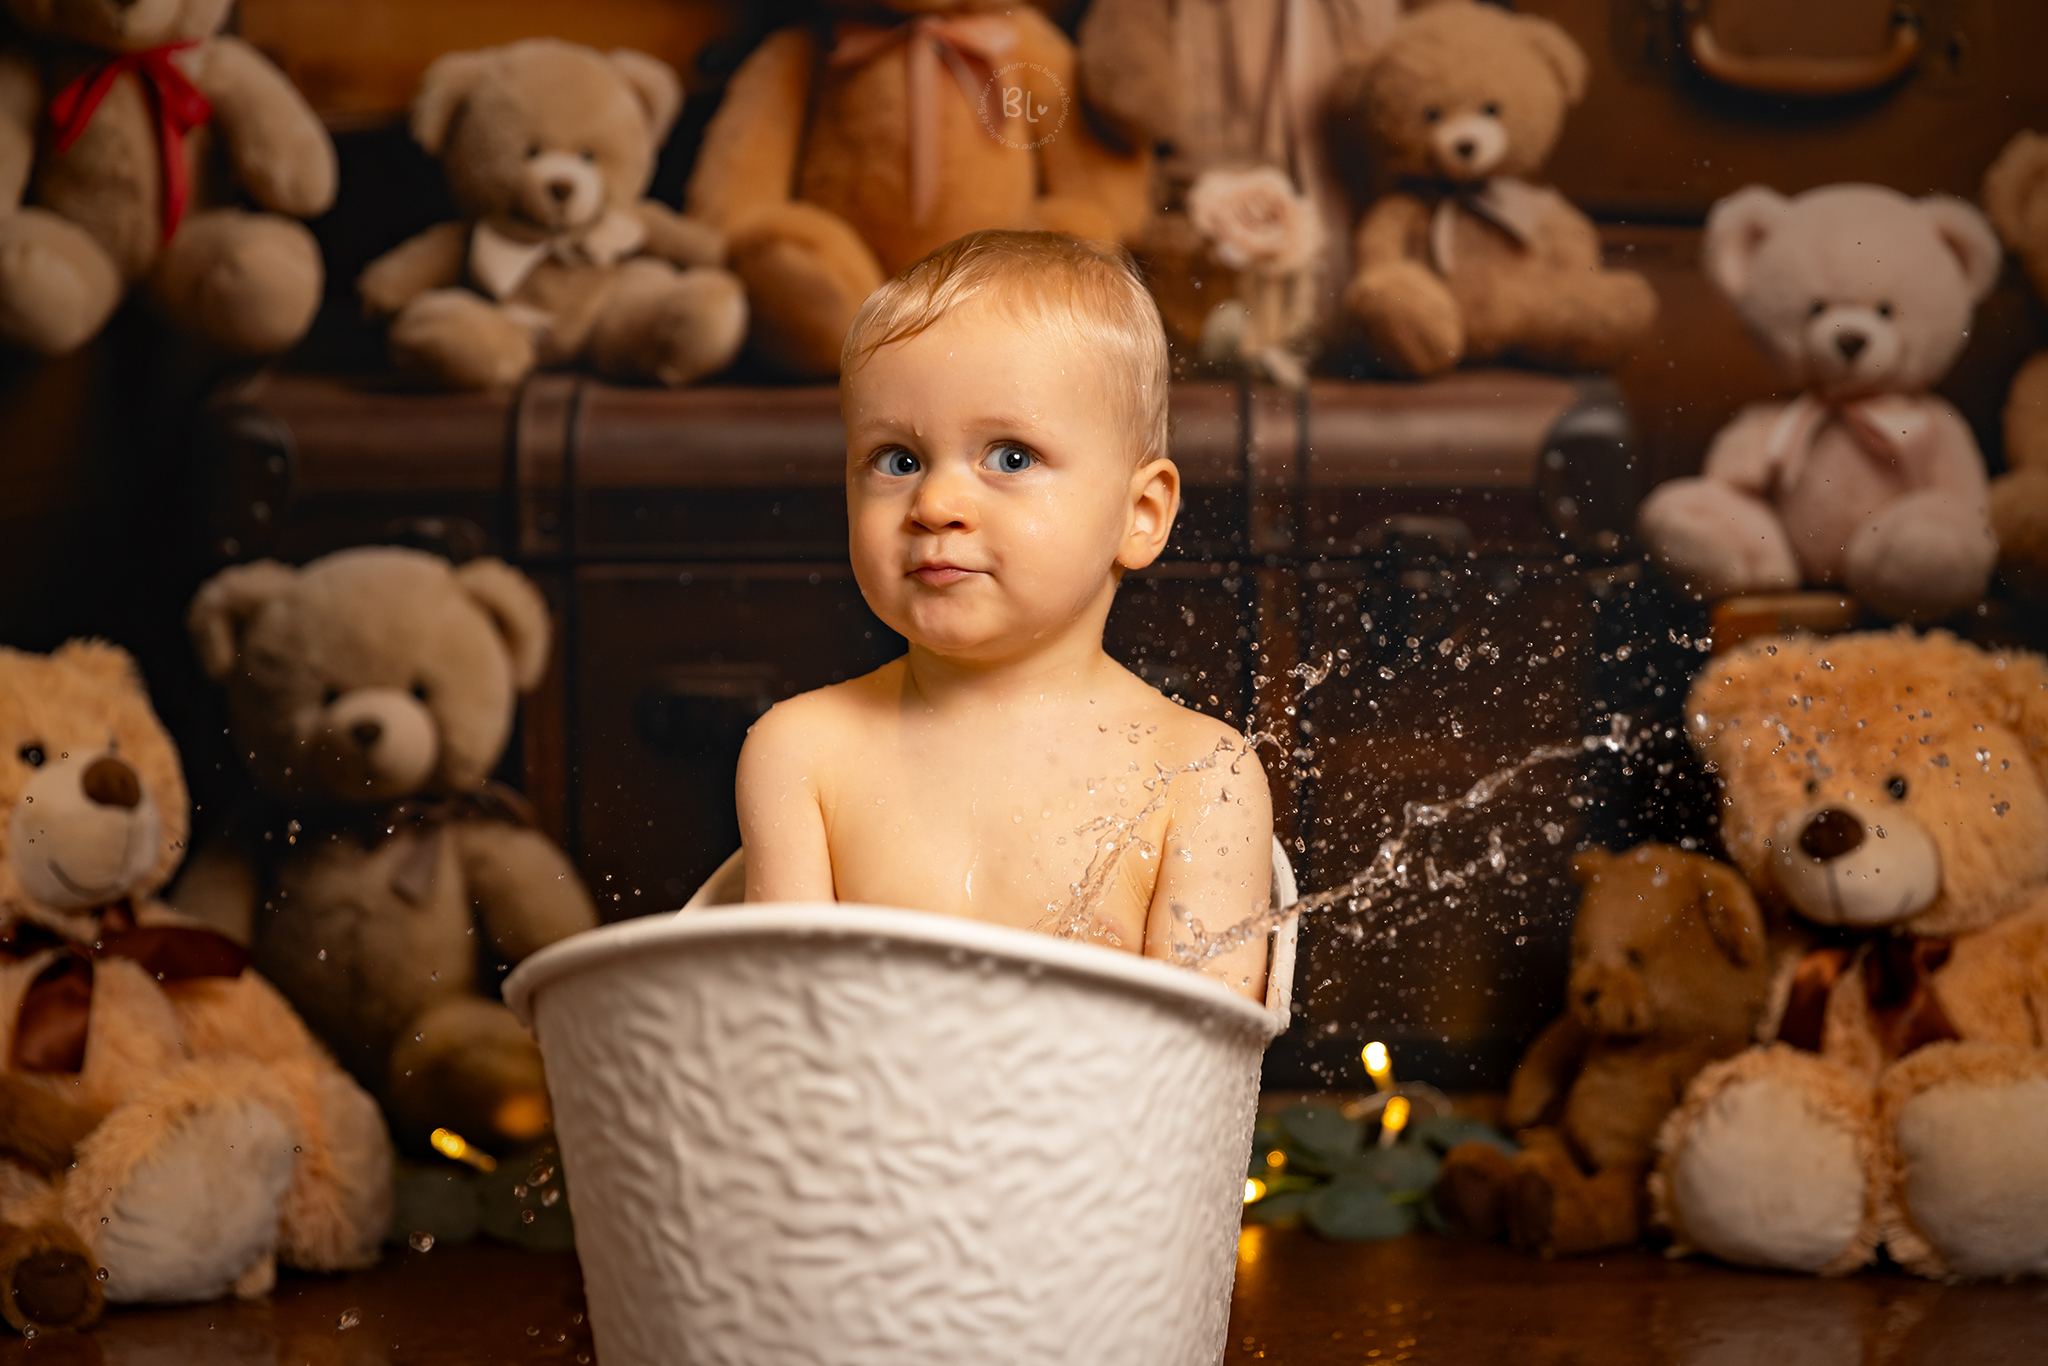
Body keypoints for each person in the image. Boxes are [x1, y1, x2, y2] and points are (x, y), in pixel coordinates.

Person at [735, 231, 1272, 1000]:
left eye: (1011, 457)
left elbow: (1202, 1057)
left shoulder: (1200, 776)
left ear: (1141, 514)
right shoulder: (803, 752)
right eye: (897, 460)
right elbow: (779, 1029)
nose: (935, 504)